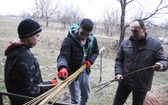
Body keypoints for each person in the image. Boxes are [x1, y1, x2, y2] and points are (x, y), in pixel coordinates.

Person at [113, 19, 168, 105]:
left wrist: (161, 65)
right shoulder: (125, 42)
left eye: (136, 31)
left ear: (144, 29)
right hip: (125, 82)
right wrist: (118, 73)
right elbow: (119, 60)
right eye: (131, 31)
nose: (133, 33)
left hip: (141, 85)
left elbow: (164, 61)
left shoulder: (155, 44)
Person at [4, 19, 57, 105]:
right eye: (37, 35)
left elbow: (23, 86)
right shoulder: (25, 58)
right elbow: (30, 93)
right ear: (28, 36)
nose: (38, 39)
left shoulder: (13, 51)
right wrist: (49, 85)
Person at [57, 18, 99, 105]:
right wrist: (63, 67)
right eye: (82, 33)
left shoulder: (92, 40)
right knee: (75, 99)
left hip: (84, 71)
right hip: (72, 72)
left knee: (85, 96)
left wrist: (90, 61)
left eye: (87, 35)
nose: (84, 36)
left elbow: (95, 51)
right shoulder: (69, 40)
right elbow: (63, 55)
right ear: (78, 28)